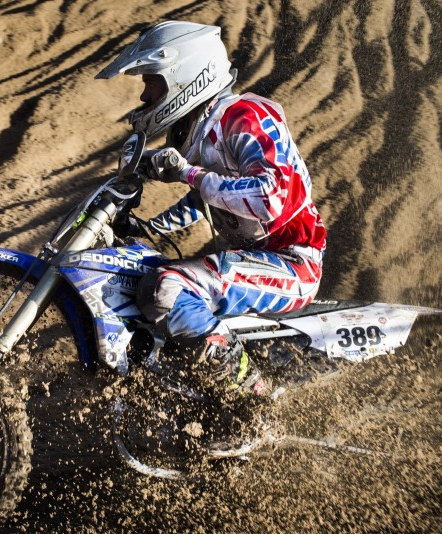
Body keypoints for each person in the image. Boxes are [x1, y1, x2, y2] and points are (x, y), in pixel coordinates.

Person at [96, 21, 326, 396]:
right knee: (141, 269)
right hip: (254, 259)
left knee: (167, 287)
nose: (144, 96)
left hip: (293, 262)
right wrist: (148, 228)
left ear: (183, 74)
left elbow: (271, 199)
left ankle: (253, 398)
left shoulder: (245, 116)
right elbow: (207, 200)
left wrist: (189, 173)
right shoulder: (200, 129)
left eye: (150, 81)